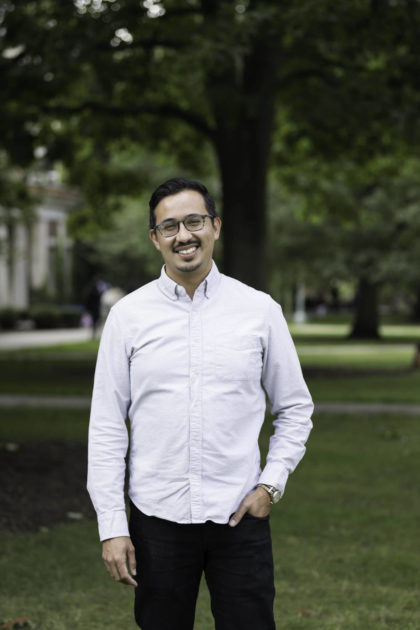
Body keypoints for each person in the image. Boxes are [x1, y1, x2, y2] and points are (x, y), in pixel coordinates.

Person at [87, 177, 314, 630]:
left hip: (241, 516)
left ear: (215, 227)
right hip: (157, 520)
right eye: (169, 226)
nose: (183, 235)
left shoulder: (260, 310)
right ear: (155, 238)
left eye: (194, 221)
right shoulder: (127, 317)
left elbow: (294, 408)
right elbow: (107, 426)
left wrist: (270, 485)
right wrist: (113, 526)